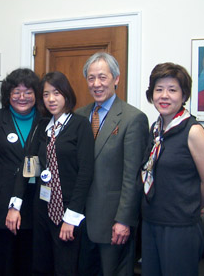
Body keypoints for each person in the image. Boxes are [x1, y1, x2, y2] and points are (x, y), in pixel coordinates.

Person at [9, 71, 94, 275]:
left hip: (67, 209)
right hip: (42, 208)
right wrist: (15, 204)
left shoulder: (79, 125)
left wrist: (71, 218)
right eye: (46, 94)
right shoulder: (42, 126)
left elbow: (85, 174)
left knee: (66, 267)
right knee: (41, 265)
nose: (51, 99)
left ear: (66, 94)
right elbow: (29, 166)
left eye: (56, 93)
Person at [140, 62, 204, 276]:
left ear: (184, 96)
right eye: (159, 89)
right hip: (150, 221)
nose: (164, 95)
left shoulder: (193, 131)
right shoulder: (155, 129)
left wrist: (191, 205)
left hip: (179, 228)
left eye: (172, 90)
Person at [76, 52, 149, 276]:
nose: (96, 84)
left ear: (116, 79)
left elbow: (132, 177)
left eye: (102, 77)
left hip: (112, 223)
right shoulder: (79, 116)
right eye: (91, 78)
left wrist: (124, 220)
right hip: (79, 221)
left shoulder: (132, 119)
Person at [0, 68, 41, 276]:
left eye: (28, 92)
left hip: (35, 202)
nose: (22, 97)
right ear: (8, 95)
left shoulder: (45, 121)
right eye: (16, 91)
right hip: (2, 202)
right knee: (4, 262)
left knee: (31, 262)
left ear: (36, 94)